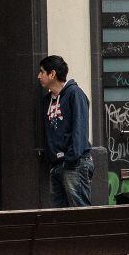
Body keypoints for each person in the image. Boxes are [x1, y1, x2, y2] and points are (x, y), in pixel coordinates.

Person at [38, 55, 94, 207]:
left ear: (52, 74)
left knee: (80, 210)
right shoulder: (46, 100)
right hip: (56, 164)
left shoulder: (75, 94)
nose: (39, 76)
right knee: (59, 214)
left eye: (42, 72)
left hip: (75, 163)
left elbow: (80, 129)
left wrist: (71, 158)